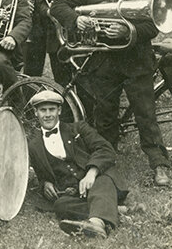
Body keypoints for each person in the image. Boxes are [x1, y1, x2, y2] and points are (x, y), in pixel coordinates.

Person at [50, 0, 172, 186]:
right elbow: (58, 6)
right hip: (105, 64)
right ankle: (106, 164)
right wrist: (75, 19)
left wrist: (129, 32)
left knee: (145, 114)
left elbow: (152, 26)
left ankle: (159, 165)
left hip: (136, 62)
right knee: (105, 116)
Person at [28, 90, 129, 238]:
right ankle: (111, 209)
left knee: (103, 180)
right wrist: (45, 184)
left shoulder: (78, 128)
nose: (48, 114)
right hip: (74, 193)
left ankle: (96, 223)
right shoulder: (34, 145)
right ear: (36, 112)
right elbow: (42, 174)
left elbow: (106, 148)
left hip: (97, 181)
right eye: (43, 110)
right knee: (60, 206)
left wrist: (91, 172)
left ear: (59, 110)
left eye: (52, 109)